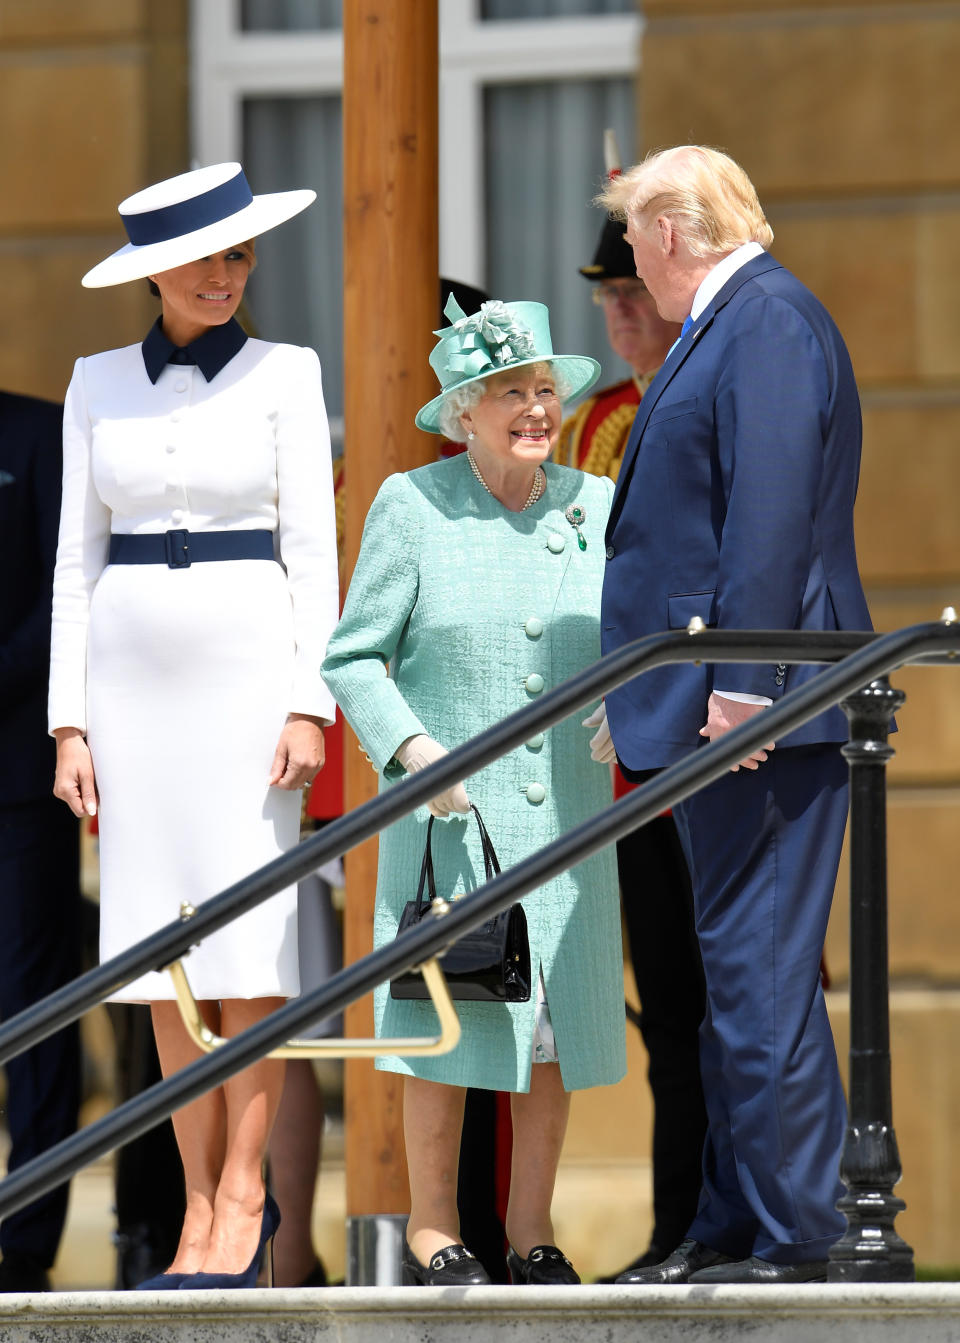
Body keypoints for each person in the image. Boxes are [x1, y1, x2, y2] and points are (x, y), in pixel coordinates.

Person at [48, 162, 339, 1290]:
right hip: (129, 690)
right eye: (205, 257)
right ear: (155, 272)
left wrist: (310, 700)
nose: (226, 275)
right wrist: (70, 724)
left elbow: (314, 555)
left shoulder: (287, 372)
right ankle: (195, 1202)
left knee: (248, 947)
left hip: (251, 676)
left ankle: (246, 1194)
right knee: (158, 956)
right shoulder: (95, 380)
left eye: (240, 255)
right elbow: (76, 562)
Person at [595, 145, 872, 1285]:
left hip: (759, 710)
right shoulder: (738, 320)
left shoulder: (759, 320)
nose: (632, 266)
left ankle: (794, 1232)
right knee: (730, 983)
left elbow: (767, 514)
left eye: (632, 238)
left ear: (669, 229)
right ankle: (732, 1220)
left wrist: (746, 686)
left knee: (757, 978)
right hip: (720, 702)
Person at [322, 295, 625, 1287]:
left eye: (544, 391)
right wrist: (416, 752)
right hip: (454, 817)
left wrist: (632, 708)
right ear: (463, 411)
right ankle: (432, 1225)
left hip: (571, 815)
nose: (535, 409)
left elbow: (633, 638)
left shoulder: (596, 505)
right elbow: (356, 657)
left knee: (548, 1030)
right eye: (510, 394)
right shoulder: (412, 505)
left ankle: (533, 1231)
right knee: (444, 1021)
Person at [559, 157, 708, 1277]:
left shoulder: (707, 385)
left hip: (711, 733)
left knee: (735, 1001)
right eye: (603, 299)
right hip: (624, 754)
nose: (618, 314)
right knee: (665, 1008)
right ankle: (676, 1223)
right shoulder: (591, 420)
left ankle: (738, 1216)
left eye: (629, 293)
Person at [0, 390, 82, 1294]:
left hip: (18, 774)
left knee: (32, 1000)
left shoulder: (34, 430)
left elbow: (69, 585)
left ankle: (26, 1236)